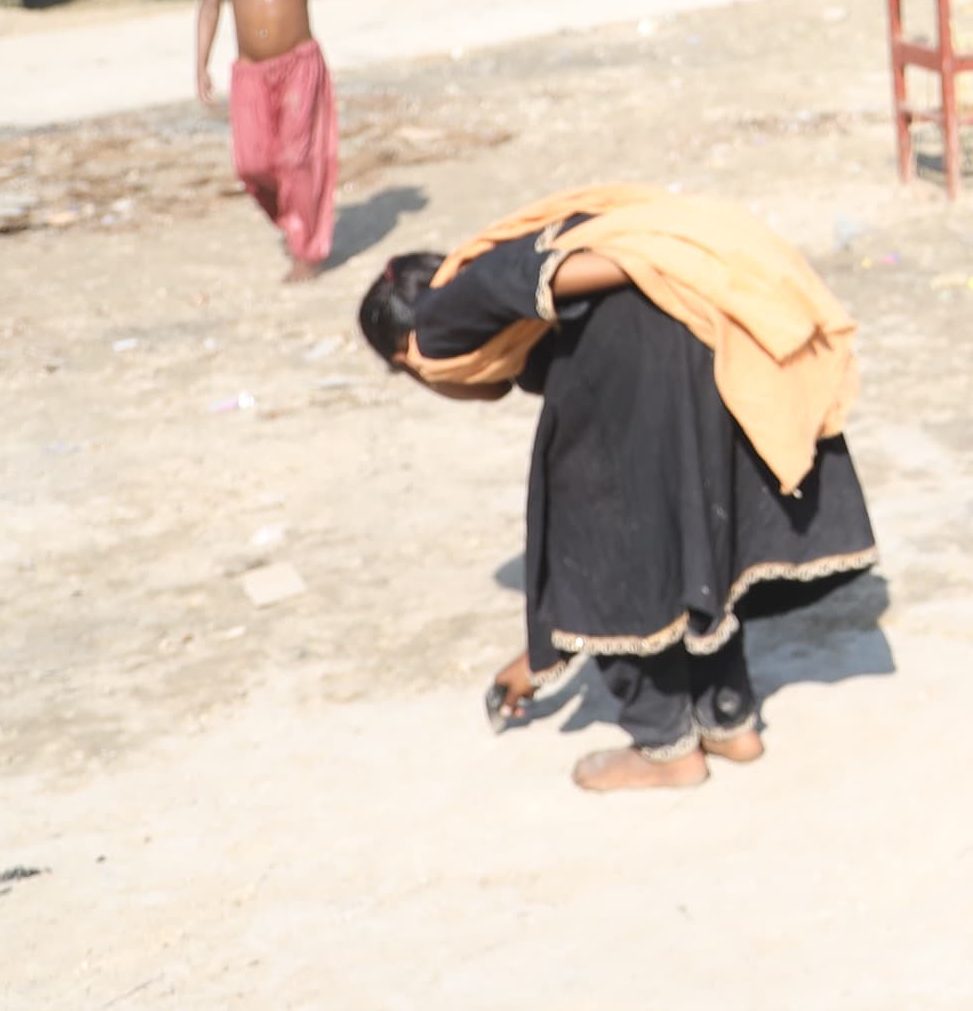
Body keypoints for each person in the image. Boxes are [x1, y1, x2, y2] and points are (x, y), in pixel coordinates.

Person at [358, 186, 878, 794]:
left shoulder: (443, 319)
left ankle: (666, 750)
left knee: (604, 563)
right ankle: (729, 721)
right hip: (702, 375)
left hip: (651, 391)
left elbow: (566, 269)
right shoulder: (519, 323)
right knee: (696, 547)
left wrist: (661, 257)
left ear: (408, 353)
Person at [194, 0, 336, 282]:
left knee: (298, 159)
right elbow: (211, 4)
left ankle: (305, 252)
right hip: (251, 72)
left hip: (298, 63)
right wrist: (201, 63)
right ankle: (294, 219)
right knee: (253, 165)